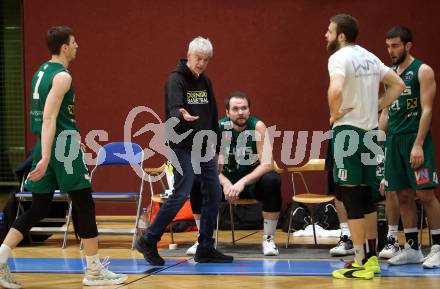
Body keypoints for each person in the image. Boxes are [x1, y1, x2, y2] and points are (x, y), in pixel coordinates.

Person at [0, 26, 127, 289]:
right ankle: (93, 271)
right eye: (74, 42)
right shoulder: (62, 77)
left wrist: (43, 153)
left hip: (46, 145)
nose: (78, 45)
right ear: (64, 47)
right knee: (84, 204)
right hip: (60, 148)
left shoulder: (40, 72)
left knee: (39, 208)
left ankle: (1, 257)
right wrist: (48, 157)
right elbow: (49, 118)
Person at [135, 36, 233, 265]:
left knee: (214, 193)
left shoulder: (206, 82)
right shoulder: (175, 80)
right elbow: (173, 108)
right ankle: (149, 239)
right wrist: (182, 114)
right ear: (189, 55)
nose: (201, 63)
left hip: (204, 147)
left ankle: (205, 247)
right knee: (181, 192)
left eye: (206, 60)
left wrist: (218, 149)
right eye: (198, 58)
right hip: (181, 146)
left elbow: (212, 116)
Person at [325, 14, 405, 280]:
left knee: (350, 196)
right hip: (370, 134)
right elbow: (398, 84)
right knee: (367, 198)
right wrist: (377, 106)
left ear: (341, 36)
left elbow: (335, 91)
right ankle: (370, 260)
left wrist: (335, 114)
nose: (326, 35)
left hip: (348, 132)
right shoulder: (370, 56)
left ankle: (360, 261)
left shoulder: (338, 57)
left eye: (329, 31)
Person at [187, 91, 282, 256]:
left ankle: (268, 239)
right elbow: (207, 164)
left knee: (272, 180)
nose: (240, 112)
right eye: (236, 108)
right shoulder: (218, 128)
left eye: (244, 108)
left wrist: (242, 183)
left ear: (249, 110)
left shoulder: (258, 126)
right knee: (196, 180)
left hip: (251, 184)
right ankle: (203, 239)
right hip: (225, 186)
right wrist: (225, 183)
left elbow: (268, 164)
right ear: (227, 112)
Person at [382, 26, 440, 268]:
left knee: (425, 194)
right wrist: (378, 140)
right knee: (402, 195)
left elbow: (427, 109)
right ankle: (413, 247)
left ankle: (437, 246)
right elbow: (385, 110)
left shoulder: (423, 71)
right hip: (394, 141)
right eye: (388, 46)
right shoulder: (389, 74)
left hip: (415, 140)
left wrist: (418, 144)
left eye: (395, 45)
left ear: (408, 46)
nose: (391, 50)